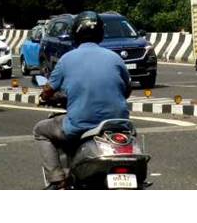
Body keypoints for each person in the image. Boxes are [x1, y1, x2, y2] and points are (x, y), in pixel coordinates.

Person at [33, 11, 132, 189]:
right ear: (101, 33)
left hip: (81, 124)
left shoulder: (67, 59)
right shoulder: (115, 58)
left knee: (40, 130)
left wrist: (44, 97)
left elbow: (48, 90)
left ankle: (58, 180)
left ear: (75, 34)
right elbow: (127, 89)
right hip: (118, 124)